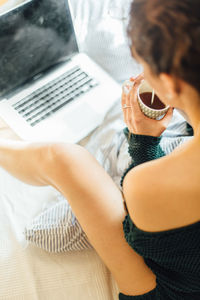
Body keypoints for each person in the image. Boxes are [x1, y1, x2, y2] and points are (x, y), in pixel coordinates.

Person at [0, 0, 199, 299]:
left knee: (65, 160)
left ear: (169, 85)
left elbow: (138, 239)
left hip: (172, 290)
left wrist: (143, 142)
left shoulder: (146, 184)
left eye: (141, 61)